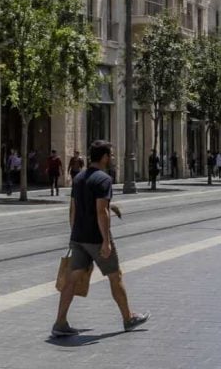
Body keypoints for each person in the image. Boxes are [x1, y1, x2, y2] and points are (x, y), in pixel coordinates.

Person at [52, 140, 149, 337]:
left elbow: (73, 209)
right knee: (115, 276)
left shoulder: (78, 178)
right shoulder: (103, 179)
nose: (112, 158)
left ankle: (60, 323)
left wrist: (74, 234)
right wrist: (105, 241)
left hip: (78, 236)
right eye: (111, 155)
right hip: (96, 238)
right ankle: (128, 318)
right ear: (104, 157)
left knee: (71, 280)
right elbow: (101, 211)